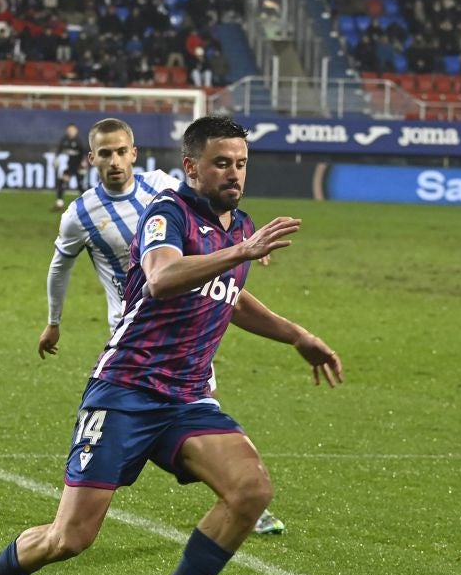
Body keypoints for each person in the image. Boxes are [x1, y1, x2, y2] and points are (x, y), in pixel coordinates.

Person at [0, 116, 343, 575]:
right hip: (125, 390)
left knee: (251, 491)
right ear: (191, 167)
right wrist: (242, 251)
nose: (234, 173)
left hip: (186, 398)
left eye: (241, 163)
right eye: (222, 162)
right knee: (69, 539)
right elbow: (161, 276)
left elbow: (232, 298)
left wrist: (297, 334)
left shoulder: (237, 226)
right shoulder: (168, 213)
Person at [37, 117, 288, 537]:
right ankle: (88, 498)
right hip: (136, 327)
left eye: (121, 151)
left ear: (134, 153)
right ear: (92, 159)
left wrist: (242, 247)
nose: (115, 161)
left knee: (202, 397)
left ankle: (240, 496)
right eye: (105, 154)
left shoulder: (159, 186)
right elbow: (60, 266)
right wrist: (54, 321)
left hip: (191, 315)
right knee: (77, 526)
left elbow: (211, 210)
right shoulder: (79, 214)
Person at [53, 123, 88, 210]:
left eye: (72, 130)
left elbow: (85, 153)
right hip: (70, 166)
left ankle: (87, 204)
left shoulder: (79, 141)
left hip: (79, 166)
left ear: (76, 131)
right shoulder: (64, 140)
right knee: (62, 181)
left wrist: (85, 163)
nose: (70, 132)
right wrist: (56, 158)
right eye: (69, 130)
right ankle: (59, 202)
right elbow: (59, 150)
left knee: (80, 186)